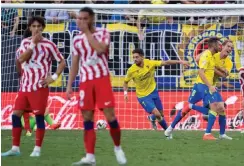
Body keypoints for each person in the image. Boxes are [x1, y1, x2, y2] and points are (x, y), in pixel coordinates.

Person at [66, 7, 127, 165]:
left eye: (85, 18)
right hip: (85, 81)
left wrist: (87, 32)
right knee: (87, 118)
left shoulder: (103, 33)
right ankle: (90, 157)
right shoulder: (76, 39)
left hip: (102, 79)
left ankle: (117, 148)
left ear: (92, 19)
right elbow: (74, 63)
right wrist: (69, 85)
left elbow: (100, 49)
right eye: (80, 19)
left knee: (110, 116)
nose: (82, 22)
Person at [1, 16, 66, 157]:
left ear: (43, 27)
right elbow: (21, 59)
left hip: (39, 87)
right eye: (34, 26)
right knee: (15, 115)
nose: (36, 29)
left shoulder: (49, 45)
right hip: (25, 87)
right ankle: (15, 148)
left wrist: (53, 77)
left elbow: (62, 62)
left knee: (39, 117)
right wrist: (33, 44)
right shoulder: (25, 43)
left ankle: (37, 150)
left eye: (39, 26)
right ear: (29, 28)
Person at [165, 37, 232, 140]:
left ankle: (169, 129)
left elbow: (220, 73)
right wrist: (210, 84)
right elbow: (200, 69)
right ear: (217, 46)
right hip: (204, 85)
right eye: (226, 46)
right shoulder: (208, 54)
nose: (229, 48)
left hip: (205, 85)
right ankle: (207, 134)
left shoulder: (222, 59)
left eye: (231, 47)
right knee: (214, 107)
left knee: (220, 107)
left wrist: (220, 69)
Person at [123, 48, 189, 136]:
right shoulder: (131, 70)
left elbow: (166, 62)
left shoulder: (150, 63)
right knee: (158, 114)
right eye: (133, 57)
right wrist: (125, 93)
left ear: (142, 57)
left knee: (161, 114)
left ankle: (151, 118)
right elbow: (125, 82)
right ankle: (168, 133)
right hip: (143, 96)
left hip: (153, 92)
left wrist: (180, 62)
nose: (135, 59)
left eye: (137, 57)